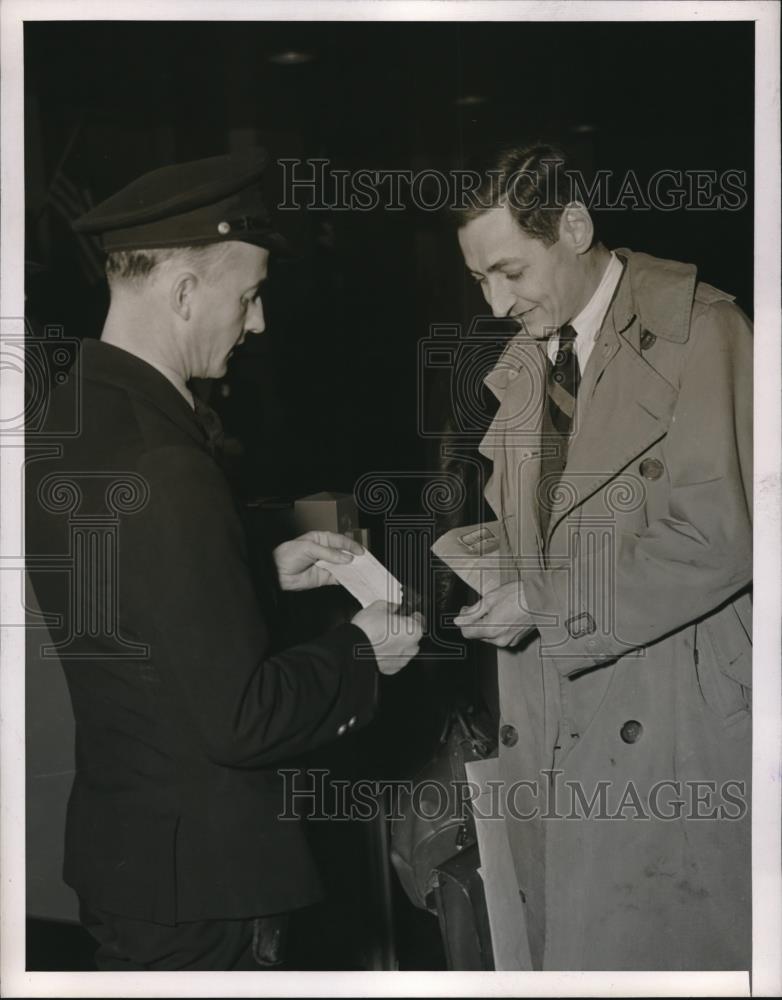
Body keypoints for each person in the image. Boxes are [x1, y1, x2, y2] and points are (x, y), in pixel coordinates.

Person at [25, 150, 423, 971]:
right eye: (248, 295)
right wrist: (363, 650)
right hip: (208, 888)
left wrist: (250, 571)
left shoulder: (71, 422)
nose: (260, 321)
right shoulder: (167, 465)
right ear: (182, 293)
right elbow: (240, 719)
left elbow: (133, 613)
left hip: (136, 858)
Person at [451, 144, 752, 970]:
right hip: (559, 709)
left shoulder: (704, 331)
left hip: (677, 723)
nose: (496, 300)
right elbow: (547, 530)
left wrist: (543, 605)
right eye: (479, 279)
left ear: (575, 227)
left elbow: (716, 538)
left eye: (510, 271)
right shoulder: (528, 363)